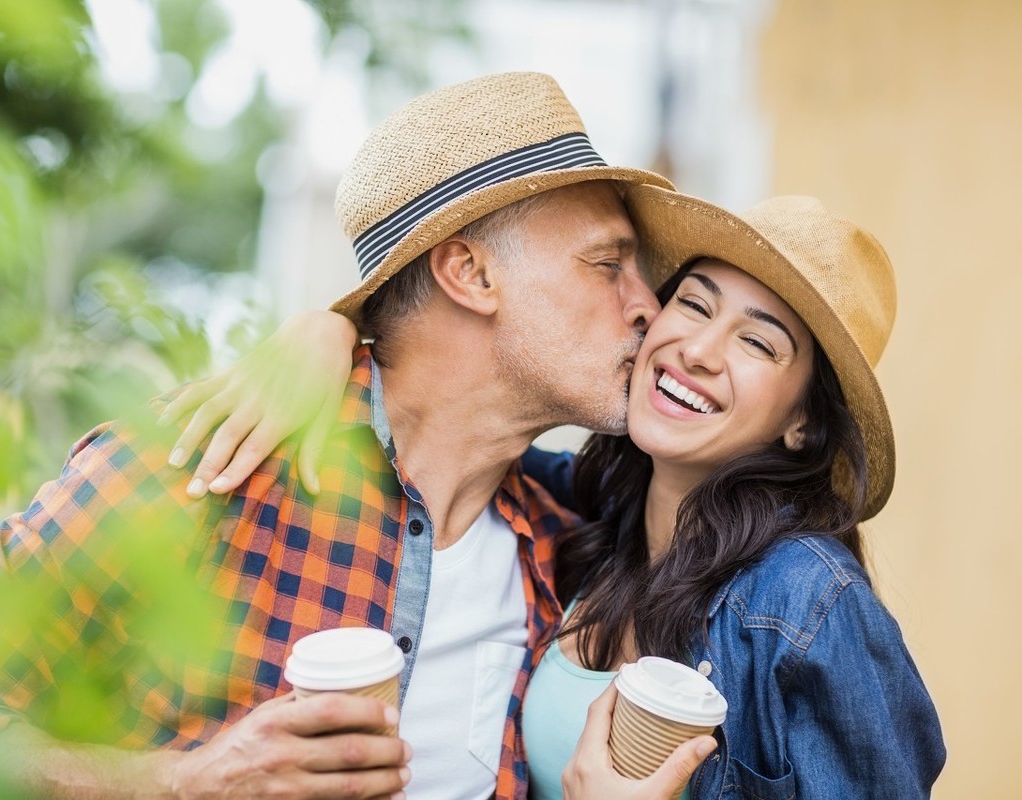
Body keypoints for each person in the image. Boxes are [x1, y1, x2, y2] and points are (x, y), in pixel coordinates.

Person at [0, 72, 715, 800]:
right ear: (469, 272)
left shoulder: (566, 553)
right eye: (608, 264)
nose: (650, 307)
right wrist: (185, 782)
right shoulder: (196, 468)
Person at [163, 188, 947, 797]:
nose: (699, 350)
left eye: (756, 342)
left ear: (804, 423)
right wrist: (329, 331)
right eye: (695, 304)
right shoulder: (586, 514)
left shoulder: (807, 600)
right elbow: (447, 430)